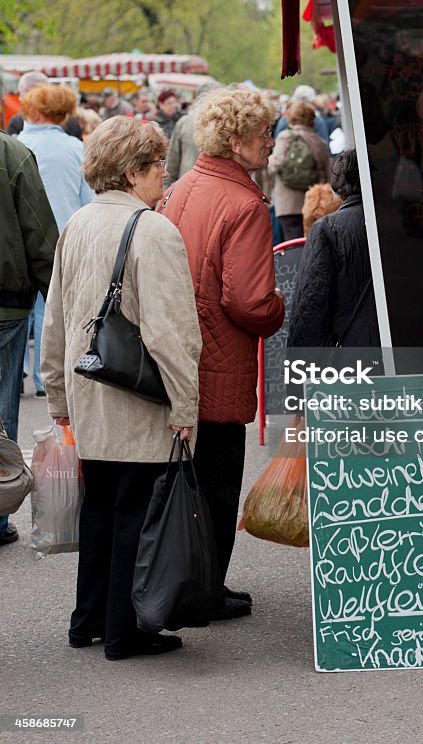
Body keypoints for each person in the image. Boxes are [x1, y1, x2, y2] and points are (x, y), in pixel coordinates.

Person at [41, 117, 202, 660]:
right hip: (139, 395)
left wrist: (58, 396)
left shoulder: (78, 223)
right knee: (137, 508)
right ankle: (125, 631)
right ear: (133, 173)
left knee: (102, 506)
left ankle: (87, 619)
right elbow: (170, 332)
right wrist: (186, 405)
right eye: (158, 164)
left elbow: (56, 322)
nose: (166, 173)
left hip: (90, 390)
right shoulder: (154, 231)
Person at [161, 86, 285, 620]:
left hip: (177, 356)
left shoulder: (183, 187)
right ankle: (204, 592)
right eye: (264, 135)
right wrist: (279, 307)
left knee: (183, 482)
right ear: (236, 140)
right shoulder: (245, 203)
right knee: (215, 484)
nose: (271, 144)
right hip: (219, 362)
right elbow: (250, 300)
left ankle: (188, 585)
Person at [0, 131, 58, 547]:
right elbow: (39, 234)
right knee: (2, 415)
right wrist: (55, 299)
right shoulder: (13, 153)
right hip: (6, 306)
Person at [18, 85, 95, 396]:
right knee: (53, 314)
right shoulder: (76, 148)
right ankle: (46, 379)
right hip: (67, 241)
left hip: (23, 242)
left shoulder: (18, 144)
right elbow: (88, 200)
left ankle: (23, 370)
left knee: (23, 314)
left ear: (35, 110)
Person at [287, 150, 380, 349]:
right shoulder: (392, 222)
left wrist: (300, 372)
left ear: (338, 187)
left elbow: (311, 304)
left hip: (353, 354)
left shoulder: (327, 228)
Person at [268, 99, 330, 241]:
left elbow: (273, 165)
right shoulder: (318, 141)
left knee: (293, 243)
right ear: (311, 119)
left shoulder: (285, 137)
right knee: (314, 243)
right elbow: (327, 173)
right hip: (314, 203)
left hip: (287, 203)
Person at [7, 71, 82, 139]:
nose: (20, 98)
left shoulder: (18, 121)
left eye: (21, 93)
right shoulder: (69, 119)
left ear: (31, 92)